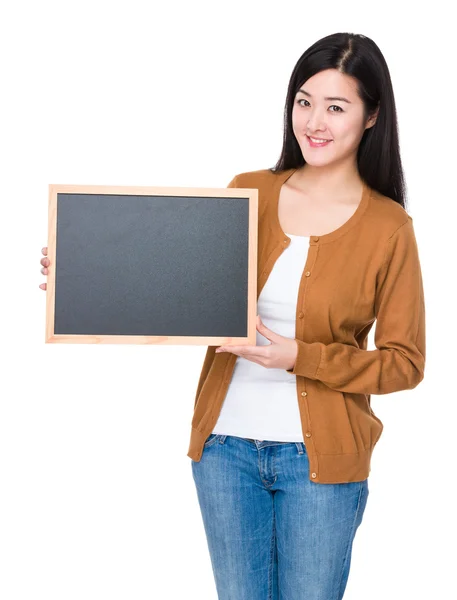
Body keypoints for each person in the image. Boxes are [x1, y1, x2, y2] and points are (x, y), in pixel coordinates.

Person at [39, 32, 426, 600]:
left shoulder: (388, 227)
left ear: (371, 117)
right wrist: (84, 273)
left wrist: (301, 358)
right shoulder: (249, 192)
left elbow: (404, 365)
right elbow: (186, 288)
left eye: (336, 107)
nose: (314, 121)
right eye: (304, 101)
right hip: (225, 452)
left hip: (321, 465)